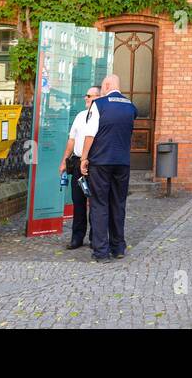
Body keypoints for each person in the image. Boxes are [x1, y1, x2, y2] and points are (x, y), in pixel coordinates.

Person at [79, 73, 138, 263]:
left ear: (106, 85)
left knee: (99, 204)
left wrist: (84, 158)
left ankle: (101, 252)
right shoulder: (131, 106)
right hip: (122, 162)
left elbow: (90, 135)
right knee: (118, 204)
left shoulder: (99, 104)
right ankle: (118, 247)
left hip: (101, 162)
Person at [59, 86, 99, 250]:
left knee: (96, 202)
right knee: (78, 201)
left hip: (94, 164)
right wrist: (64, 160)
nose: (85, 98)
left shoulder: (101, 116)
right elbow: (71, 140)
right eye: (85, 95)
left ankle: (95, 237)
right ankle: (77, 237)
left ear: (97, 97)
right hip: (76, 163)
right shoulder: (80, 116)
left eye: (88, 95)